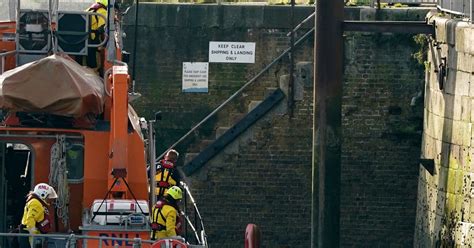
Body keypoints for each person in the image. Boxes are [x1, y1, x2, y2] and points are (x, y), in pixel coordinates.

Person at [18, 183, 57, 248]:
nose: (48, 198)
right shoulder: (36, 203)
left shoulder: (35, 202)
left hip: (31, 233)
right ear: (43, 194)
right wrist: (33, 235)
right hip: (30, 235)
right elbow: (30, 219)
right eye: (47, 196)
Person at [80, 0, 108, 73]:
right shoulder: (103, 12)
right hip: (93, 41)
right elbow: (101, 29)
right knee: (94, 66)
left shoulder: (89, 9)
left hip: (83, 40)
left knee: (83, 66)